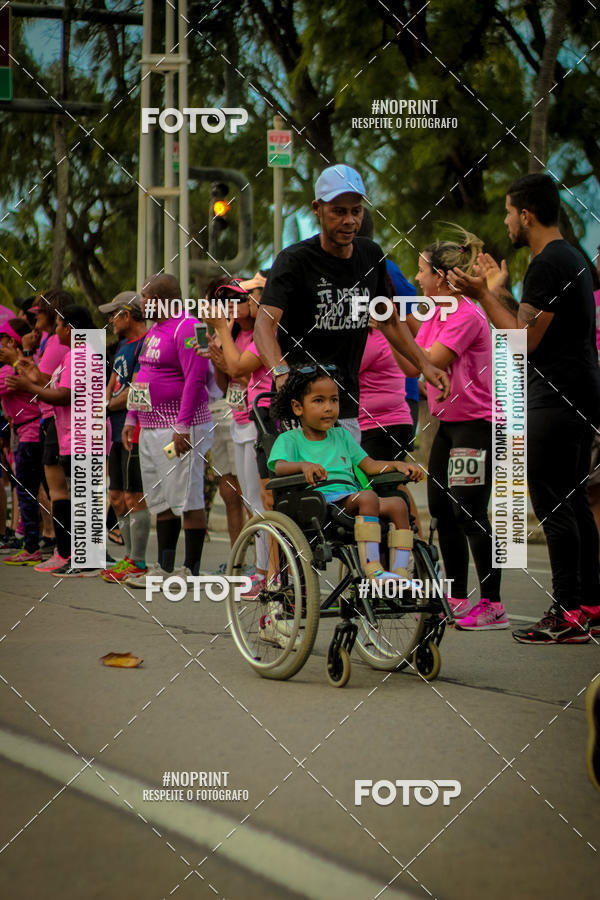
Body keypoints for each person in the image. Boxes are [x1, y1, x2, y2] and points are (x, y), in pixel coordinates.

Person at [451, 173, 600, 643]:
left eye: (509, 212)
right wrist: (496, 290)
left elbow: (522, 340)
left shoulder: (546, 263)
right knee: (573, 501)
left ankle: (567, 612)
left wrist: (480, 294)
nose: (506, 221)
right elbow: (528, 322)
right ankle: (590, 604)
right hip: (578, 396)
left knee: (553, 504)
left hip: (554, 400)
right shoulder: (570, 257)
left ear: (527, 215)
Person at [254, 164, 450, 442]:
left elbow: (389, 320)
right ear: (317, 209)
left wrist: (425, 364)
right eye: (339, 211)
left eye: (356, 211)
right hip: (301, 407)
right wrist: (282, 373)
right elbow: (264, 326)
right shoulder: (294, 261)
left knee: (347, 471)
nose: (349, 221)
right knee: (313, 471)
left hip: (345, 405)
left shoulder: (370, 255)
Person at [395, 228, 508, 630]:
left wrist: (396, 326)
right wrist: (391, 330)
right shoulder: (438, 313)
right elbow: (414, 366)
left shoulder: (464, 315)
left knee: (470, 512)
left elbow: (432, 360)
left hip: (476, 426)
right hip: (449, 425)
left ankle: (493, 604)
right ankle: (457, 596)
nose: (417, 278)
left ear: (440, 277)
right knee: (443, 511)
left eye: (422, 271)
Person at [268, 366, 423, 588]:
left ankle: (400, 572)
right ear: (298, 407)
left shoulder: (342, 435)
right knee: (368, 497)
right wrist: (303, 466)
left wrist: (397, 465)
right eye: (319, 401)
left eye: (334, 400)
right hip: (319, 503)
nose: (329, 408)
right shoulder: (290, 439)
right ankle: (372, 567)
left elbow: (370, 466)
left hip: (351, 499)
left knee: (398, 504)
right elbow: (279, 467)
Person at [121, 273, 214, 584]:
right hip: (150, 428)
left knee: (187, 497)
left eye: (145, 297)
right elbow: (143, 375)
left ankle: (191, 569)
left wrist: (183, 425)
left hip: (180, 427)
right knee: (160, 498)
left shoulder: (190, 327)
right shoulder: (154, 330)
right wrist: (132, 417)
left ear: (161, 300)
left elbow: (196, 380)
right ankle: (164, 568)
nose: (142, 303)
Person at [6, 305, 98, 575]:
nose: (56, 331)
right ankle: (73, 553)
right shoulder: (72, 355)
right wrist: (32, 374)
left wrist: (28, 386)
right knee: (72, 493)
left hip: (82, 431)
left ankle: (87, 557)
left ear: (69, 328)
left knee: (83, 494)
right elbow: (54, 386)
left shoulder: (80, 354)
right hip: (68, 431)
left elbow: (65, 396)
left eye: (58, 325)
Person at [202, 279, 272, 596]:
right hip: (239, 420)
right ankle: (260, 570)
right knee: (250, 501)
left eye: (239, 298)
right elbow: (224, 381)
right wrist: (218, 350)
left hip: (261, 421)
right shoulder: (234, 333)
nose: (231, 304)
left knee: (262, 501)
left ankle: (267, 572)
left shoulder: (263, 332)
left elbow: (243, 371)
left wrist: (223, 347)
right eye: (226, 299)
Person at [98, 291, 150, 583]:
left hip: (136, 429)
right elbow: (114, 381)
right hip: (115, 430)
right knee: (117, 497)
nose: (110, 321)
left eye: (113, 315)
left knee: (134, 496)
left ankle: (138, 561)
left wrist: (107, 406)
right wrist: (104, 405)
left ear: (127, 315)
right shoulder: (121, 346)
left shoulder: (146, 344)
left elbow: (137, 389)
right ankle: (128, 558)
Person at [0, 318, 43, 564]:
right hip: (26, 433)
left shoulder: (12, 371)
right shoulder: (24, 365)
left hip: (30, 435)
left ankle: (32, 547)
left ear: (12, 342)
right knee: (31, 491)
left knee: (27, 492)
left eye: (3, 340)